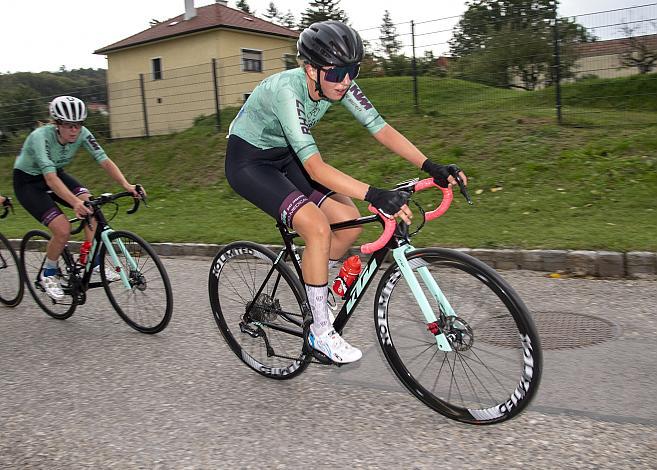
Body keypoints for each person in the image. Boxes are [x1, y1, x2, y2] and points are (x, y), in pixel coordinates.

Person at [225, 21, 466, 364]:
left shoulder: (340, 85)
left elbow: (380, 128)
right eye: (337, 72)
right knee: (317, 227)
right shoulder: (286, 91)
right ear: (310, 69)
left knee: (349, 223)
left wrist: (430, 165)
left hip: (286, 155)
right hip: (249, 162)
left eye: (353, 70)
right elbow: (317, 169)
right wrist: (374, 194)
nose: (346, 80)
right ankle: (320, 332)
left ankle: (317, 291)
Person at [13, 96, 143, 300]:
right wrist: (75, 203)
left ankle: (90, 259)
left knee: (92, 207)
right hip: (29, 183)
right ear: (57, 124)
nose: (74, 130)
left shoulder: (83, 134)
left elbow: (104, 160)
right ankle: (48, 275)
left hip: (56, 173)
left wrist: (127, 185)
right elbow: (50, 178)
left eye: (78, 125)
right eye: (68, 125)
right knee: (62, 229)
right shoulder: (41, 137)